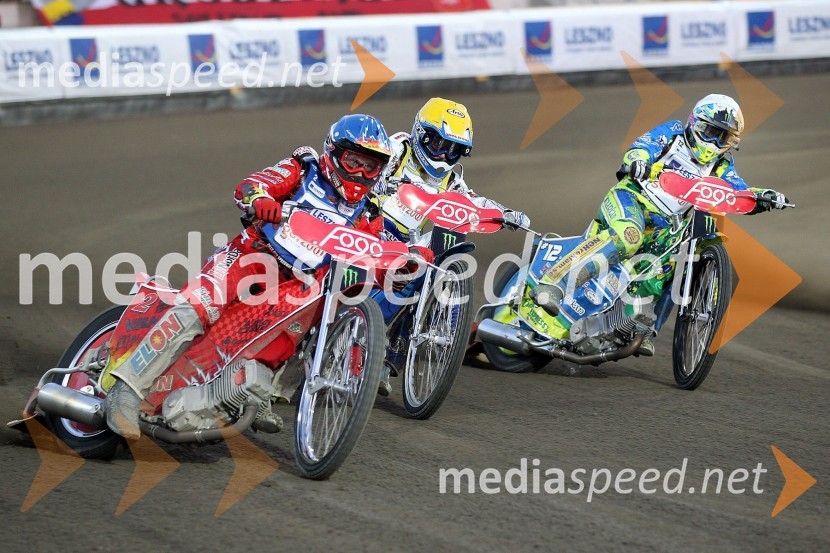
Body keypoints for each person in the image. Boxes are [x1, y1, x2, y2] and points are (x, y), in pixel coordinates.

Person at [104, 114, 394, 439]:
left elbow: (378, 259)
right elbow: (249, 186)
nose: (360, 173)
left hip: (297, 285)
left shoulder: (369, 213)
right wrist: (262, 200)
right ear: (334, 152)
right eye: (354, 161)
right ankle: (126, 390)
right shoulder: (303, 170)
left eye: (371, 167)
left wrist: (403, 266)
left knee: (295, 332)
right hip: (251, 257)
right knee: (198, 307)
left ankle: (251, 390)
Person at [531, 94, 790, 356]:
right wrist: (639, 161)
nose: (713, 142)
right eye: (710, 131)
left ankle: (642, 328)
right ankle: (553, 284)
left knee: (683, 259)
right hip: (632, 199)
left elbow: (738, 189)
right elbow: (641, 147)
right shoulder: (673, 133)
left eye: (722, 137)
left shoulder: (722, 164)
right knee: (628, 236)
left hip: (667, 227)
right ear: (695, 123)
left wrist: (763, 197)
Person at [371, 97, 531, 395]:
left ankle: (388, 357)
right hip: (369, 231)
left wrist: (504, 213)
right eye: (439, 145)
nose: (444, 155)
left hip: (406, 246)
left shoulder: (450, 178)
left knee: (430, 268)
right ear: (422, 135)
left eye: (454, 150)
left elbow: (469, 201)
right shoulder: (395, 149)